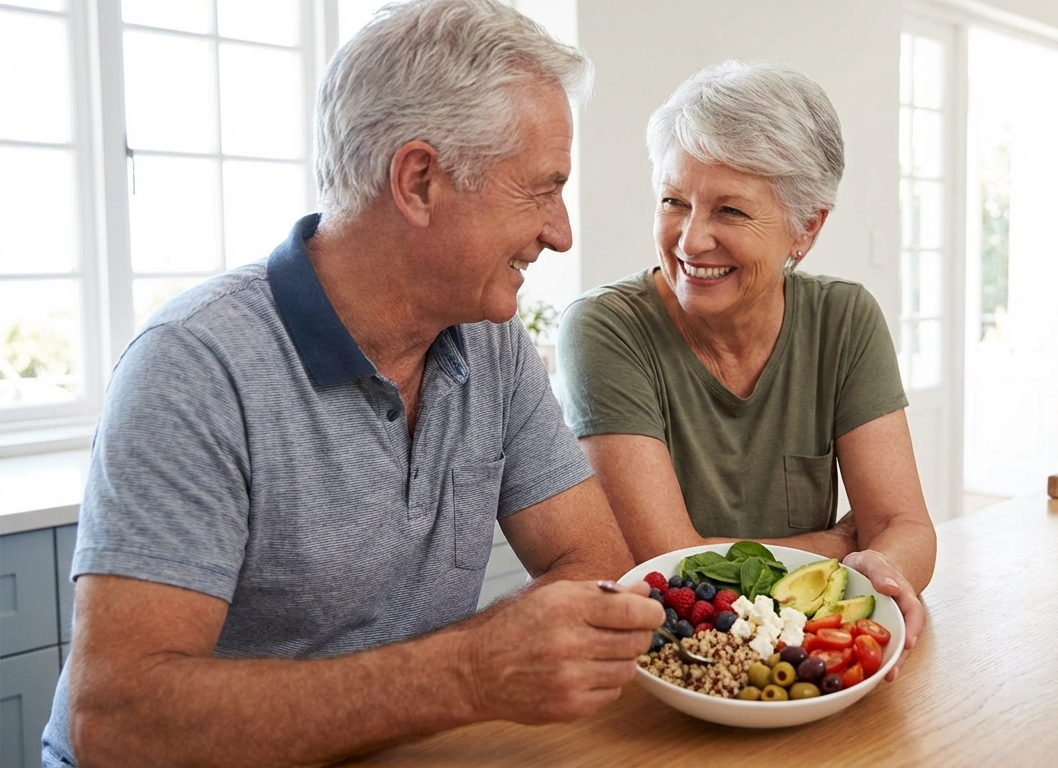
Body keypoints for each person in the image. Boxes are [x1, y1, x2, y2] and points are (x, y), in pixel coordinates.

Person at [42, 2, 663, 765]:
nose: (561, 230)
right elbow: (120, 723)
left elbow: (596, 564)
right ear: (420, 180)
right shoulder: (193, 366)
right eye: (540, 189)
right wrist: (465, 673)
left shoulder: (491, 343)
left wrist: (454, 680)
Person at [557, 61, 937, 675]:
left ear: (805, 228)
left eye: (730, 211)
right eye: (674, 201)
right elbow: (671, 566)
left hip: (808, 666)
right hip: (669, 671)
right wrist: (836, 552)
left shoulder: (843, 318)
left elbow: (904, 525)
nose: (691, 240)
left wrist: (882, 566)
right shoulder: (606, 329)